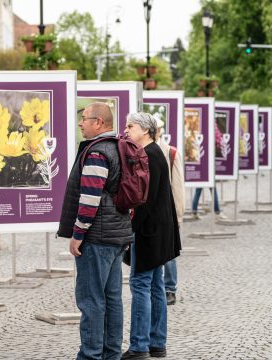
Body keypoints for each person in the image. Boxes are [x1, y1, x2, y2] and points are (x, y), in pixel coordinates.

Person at [57, 102, 133, 360]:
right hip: (116, 235)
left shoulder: (98, 152)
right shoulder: (119, 148)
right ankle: (111, 354)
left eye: (85, 118)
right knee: (112, 300)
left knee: (91, 301)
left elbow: (90, 198)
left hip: (98, 237)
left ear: (99, 122)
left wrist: (77, 234)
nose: (81, 123)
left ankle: (90, 356)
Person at [121, 113, 181, 360]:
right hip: (159, 232)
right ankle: (157, 343)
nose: (125, 130)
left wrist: (129, 231)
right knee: (155, 287)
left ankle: (139, 346)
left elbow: (144, 201)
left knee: (141, 285)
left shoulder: (149, 155)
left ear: (145, 131)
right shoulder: (156, 153)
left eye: (130, 126)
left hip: (149, 233)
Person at [154, 118, 185, 306]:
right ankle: (156, 287)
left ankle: (170, 288)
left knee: (169, 251)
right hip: (150, 210)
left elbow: (178, 186)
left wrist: (179, 214)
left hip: (168, 209)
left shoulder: (171, 152)